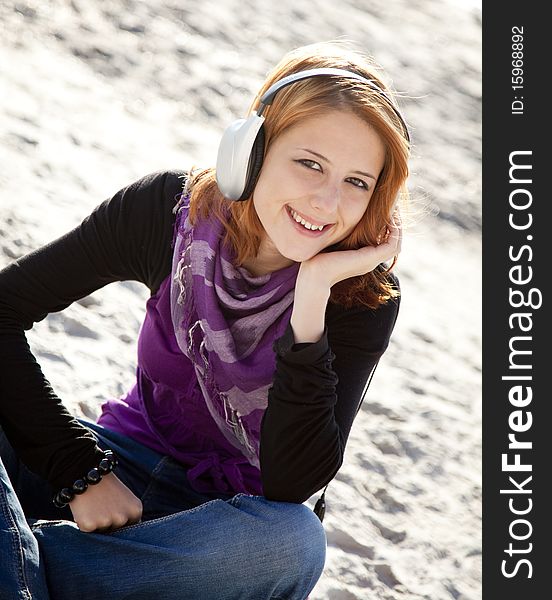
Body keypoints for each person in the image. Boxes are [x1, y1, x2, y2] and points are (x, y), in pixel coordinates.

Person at [0, 40, 409, 599]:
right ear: (251, 153)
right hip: (109, 472)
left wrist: (312, 300)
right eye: (309, 164)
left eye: (357, 182)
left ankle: (20, 563)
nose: (326, 201)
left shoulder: (362, 298)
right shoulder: (168, 211)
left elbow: (293, 484)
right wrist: (80, 470)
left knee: (296, 543)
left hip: (215, 535)